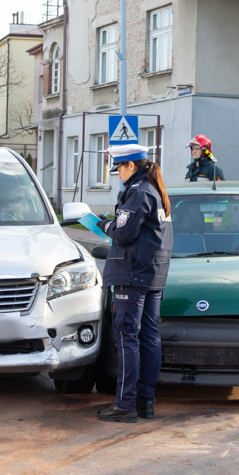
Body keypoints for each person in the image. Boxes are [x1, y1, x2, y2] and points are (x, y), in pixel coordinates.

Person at [95, 144, 173, 423]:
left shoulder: (139, 192)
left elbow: (124, 233)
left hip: (132, 274)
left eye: (119, 168)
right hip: (153, 274)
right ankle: (145, 402)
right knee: (149, 338)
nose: (117, 175)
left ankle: (125, 404)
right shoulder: (156, 191)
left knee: (127, 338)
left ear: (130, 166)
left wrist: (104, 225)